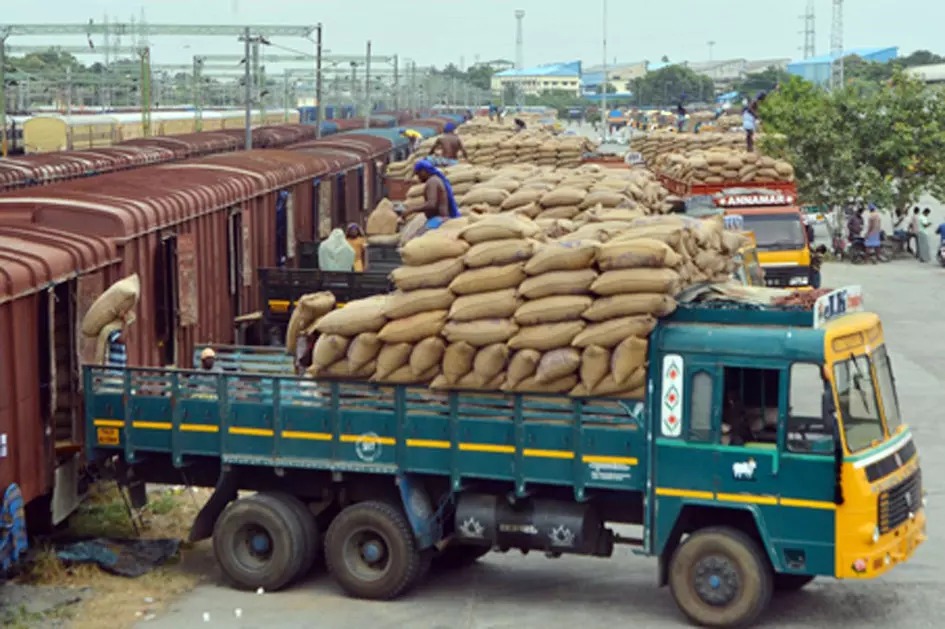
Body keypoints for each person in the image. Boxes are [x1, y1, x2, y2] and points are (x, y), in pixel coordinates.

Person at [410, 159, 460, 232]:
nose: (418, 177)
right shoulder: (435, 179)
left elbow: (431, 204)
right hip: (438, 219)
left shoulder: (432, 181)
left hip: (439, 220)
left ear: (424, 171)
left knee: (416, 238)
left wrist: (412, 209)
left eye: (418, 174)